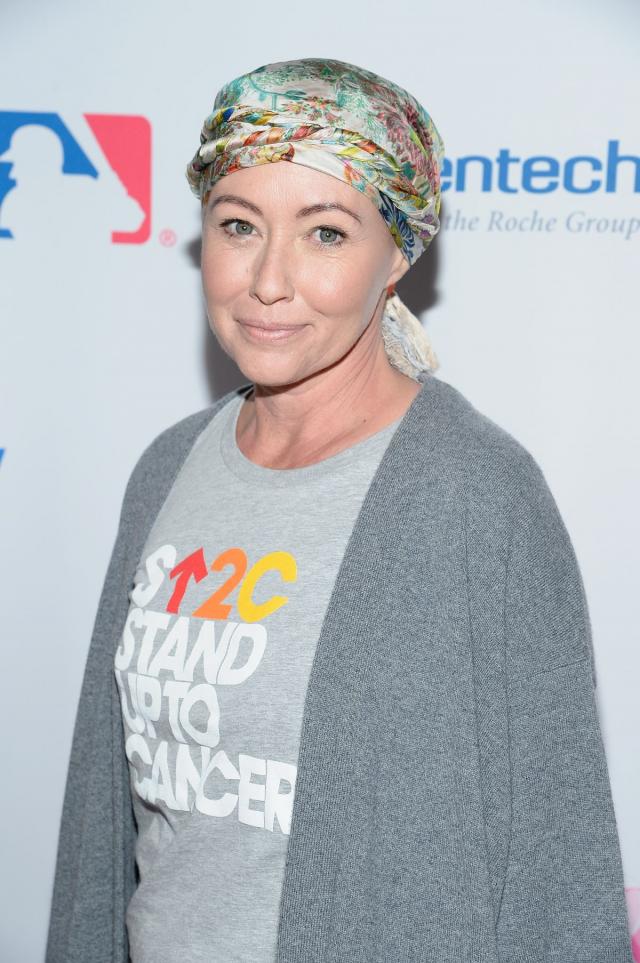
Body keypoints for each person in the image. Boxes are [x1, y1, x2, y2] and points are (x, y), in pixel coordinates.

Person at [45, 58, 633, 963]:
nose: (267, 279)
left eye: (325, 233)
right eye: (239, 225)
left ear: (398, 254)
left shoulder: (477, 495)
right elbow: (104, 827)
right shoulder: (167, 469)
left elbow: (560, 874)